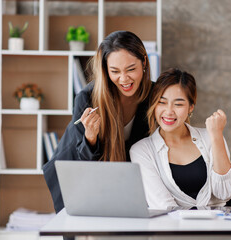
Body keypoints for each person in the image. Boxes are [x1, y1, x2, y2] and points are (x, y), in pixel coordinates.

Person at [43, 31, 154, 213]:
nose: (124, 79)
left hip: (129, 177)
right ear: (105, 70)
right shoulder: (87, 98)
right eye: (115, 71)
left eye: (131, 69)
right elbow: (83, 160)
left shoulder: (155, 96)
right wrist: (91, 137)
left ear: (144, 62)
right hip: (82, 174)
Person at [130, 68, 231, 209]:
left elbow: (225, 192)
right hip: (174, 229)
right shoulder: (142, 151)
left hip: (218, 226)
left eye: (178, 104)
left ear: (191, 107)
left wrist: (217, 135)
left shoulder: (210, 137)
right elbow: (164, 207)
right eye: (162, 102)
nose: (169, 111)